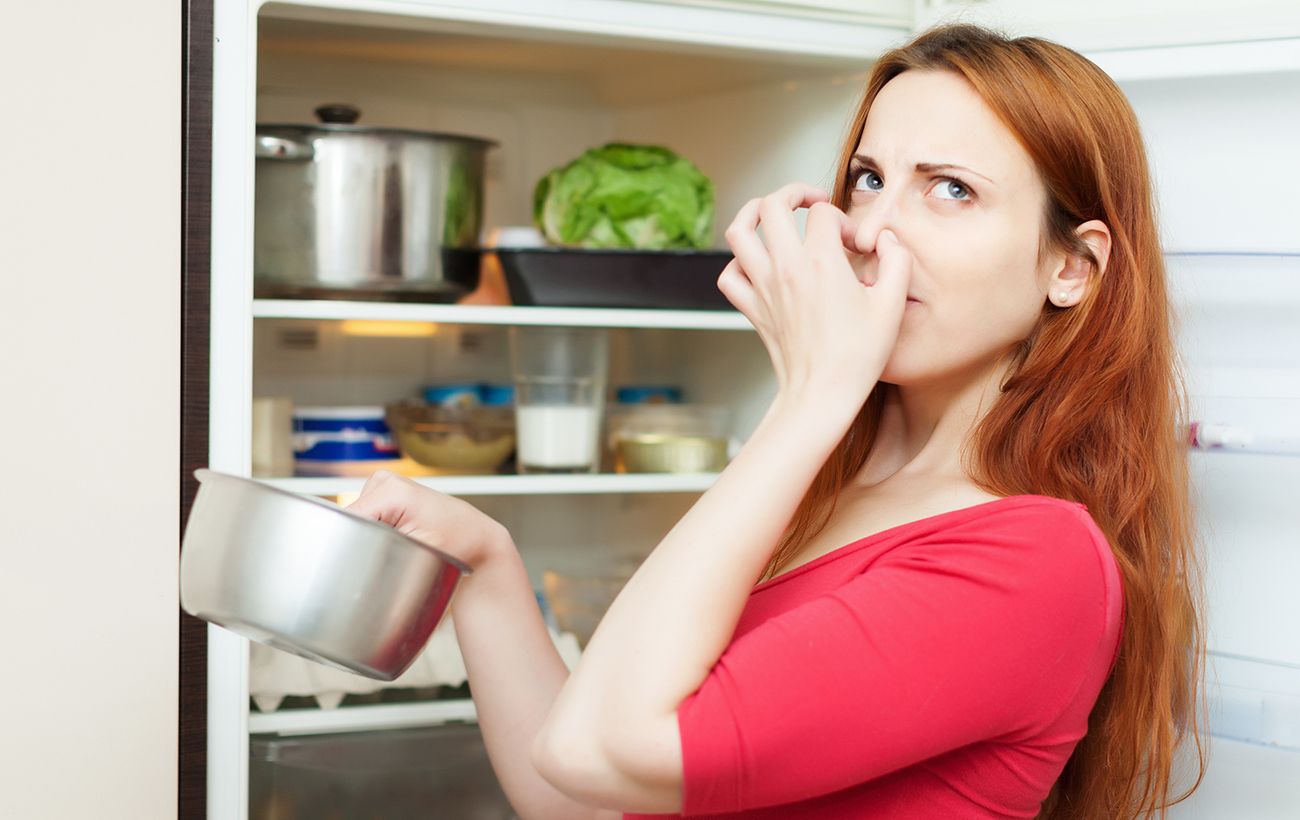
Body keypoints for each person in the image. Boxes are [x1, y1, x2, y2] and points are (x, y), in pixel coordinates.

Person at [347, 22, 1205, 820]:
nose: (873, 231)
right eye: (869, 180)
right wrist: (485, 563)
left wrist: (813, 394)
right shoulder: (824, 490)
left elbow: (598, 751)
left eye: (951, 189)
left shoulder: (1036, 562)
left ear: (1072, 267)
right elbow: (587, 794)